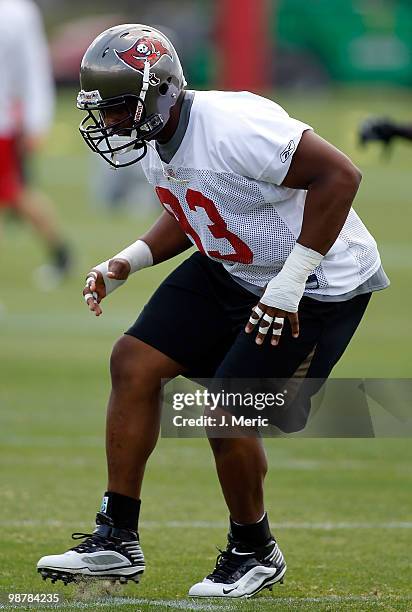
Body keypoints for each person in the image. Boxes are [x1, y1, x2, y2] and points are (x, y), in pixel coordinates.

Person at [37, 24, 389, 597]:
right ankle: (116, 540)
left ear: (162, 93)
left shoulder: (233, 126)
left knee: (228, 411)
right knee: (133, 362)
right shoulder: (160, 137)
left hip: (316, 280)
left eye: (123, 107)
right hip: (235, 265)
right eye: (106, 109)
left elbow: (340, 175)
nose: (113, 122)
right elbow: (199, 206)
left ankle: (254, 551)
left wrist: (288, 284)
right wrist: (130, 259)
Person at [0, 0, 71, 285]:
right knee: (17, 195)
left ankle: (61, 252)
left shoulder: (16, 12)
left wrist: (36, 120)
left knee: (17, 194)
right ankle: (61, 252)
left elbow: (32, 67)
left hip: (3, 122)